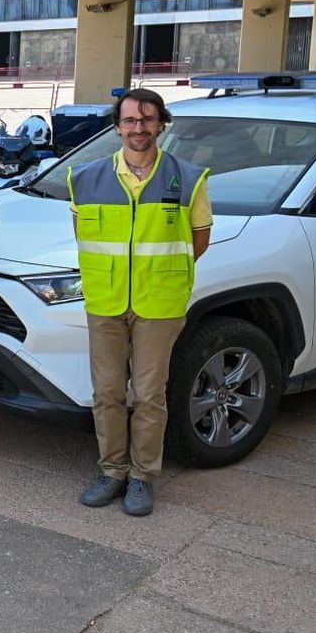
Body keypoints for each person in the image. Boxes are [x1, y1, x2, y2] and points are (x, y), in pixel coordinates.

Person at [70, 88, 211, 517]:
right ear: (117, 127)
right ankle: (112, 471)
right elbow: (83, 236)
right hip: (105, 299)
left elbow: (197, 242)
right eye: (130, 120)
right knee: (108, 392)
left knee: (150, 394)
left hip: (159, 302)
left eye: (147, 120)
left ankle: (142, 477)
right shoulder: (86, 177)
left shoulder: (189, 178)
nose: (138, 128)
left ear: (161, 125)